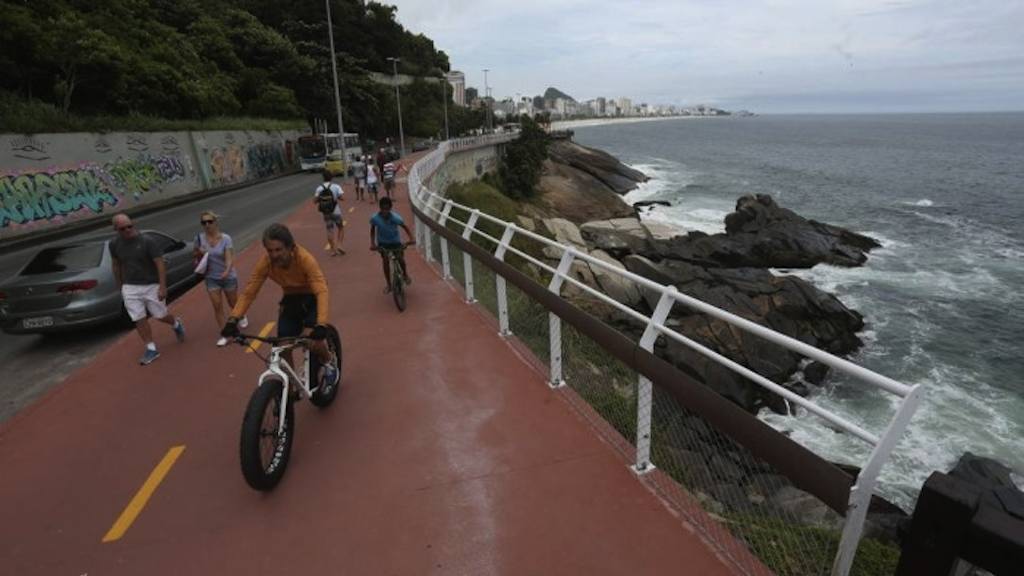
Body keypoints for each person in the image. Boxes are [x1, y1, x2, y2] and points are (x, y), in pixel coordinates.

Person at [222, 223, 337, 390]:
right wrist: (233, 319)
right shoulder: (266, 263)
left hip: (312, 296)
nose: (274, 255)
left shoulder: (305, 259)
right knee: (283, 347)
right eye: (270, 250)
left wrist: (321, 324)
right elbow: (249, 293)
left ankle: (328, 362)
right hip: (291, 298)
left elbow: (321, 290)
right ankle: (290, 387)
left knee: (311, 341)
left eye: (278, 250)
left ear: (290, 247)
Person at [109, 213, 185, 365]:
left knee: (160, 315)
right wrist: (120, 285)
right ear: (116, 229)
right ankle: (151, 348)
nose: (128, 230)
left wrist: (162, 286)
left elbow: (159, 263)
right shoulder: (114, 244)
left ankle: (176, 323)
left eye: (130, 226)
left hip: (151, 285)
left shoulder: (147, 241)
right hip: (130, 286)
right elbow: (116, 264)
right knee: (138, 318)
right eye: (123, 228)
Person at [194, 210, 247, 346]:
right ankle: (226, 334)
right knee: (217, 306)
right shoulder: (199, 239)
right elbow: (195, 256)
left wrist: (227, 270)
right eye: (203, 222)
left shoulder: (225, 239)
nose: (207, 225)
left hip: (227, 276)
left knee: (233, 303)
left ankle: (241, 315)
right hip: (211, 278)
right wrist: (199, 253)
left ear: (215, 222)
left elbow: (229, 258)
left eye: (209, 222)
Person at [369, 197, 415, 292]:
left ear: (390, 208)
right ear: (380, 208)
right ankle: (389, 285)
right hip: (383, 243)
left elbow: (405, 227)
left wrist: (411, 239)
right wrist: (373, 243)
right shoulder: (375, 218)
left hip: (395, 242)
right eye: (383, 209)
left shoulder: (396, 218)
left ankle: (405, 274)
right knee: (385, 261)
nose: (385, 211)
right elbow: (372, 230)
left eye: (387, 209)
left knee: (400, 259)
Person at [313, 170, 345, 256]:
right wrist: (336, 196)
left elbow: (314, 201)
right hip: (336, 210)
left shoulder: (319, 188)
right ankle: (340, 245)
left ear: (323, 178)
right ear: (331, 177)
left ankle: (333, 250)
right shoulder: (336, 186)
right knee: (340, 227)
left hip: (326, 212)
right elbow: (342, 198)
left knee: (329, 229)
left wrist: (321, 198)